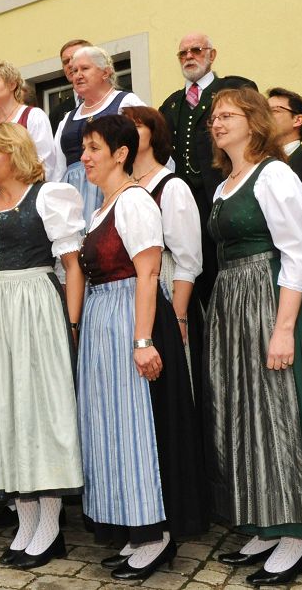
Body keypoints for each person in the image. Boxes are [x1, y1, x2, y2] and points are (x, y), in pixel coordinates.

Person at [205, 88, 302, 585]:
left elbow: (297, 253)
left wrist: (284, 329)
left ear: (255, 121)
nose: (217, 122)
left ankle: (295, 537)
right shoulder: (226, 183)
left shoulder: (275, 175)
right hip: (232, 303)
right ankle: (264, 524)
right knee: (246, 413)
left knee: (278, 412)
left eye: (228, 114)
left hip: (268, 300)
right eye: (214, 116)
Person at [75, 115, 205, 581]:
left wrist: (143, 340)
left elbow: (148, 274)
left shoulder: (135, 202)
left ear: (120, 153)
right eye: (84, 148)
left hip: (133, 319)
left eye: (93, 148)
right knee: (113, 427)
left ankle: (156, 535)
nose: (85, 157)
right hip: (105, 322)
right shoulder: (102, 208)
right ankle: (134, 527)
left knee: (140, 427)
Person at [0, 122, 85, 570]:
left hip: (35, 307)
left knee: (38, 412)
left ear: (16, 154)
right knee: (3, 413)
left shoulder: (48, 197)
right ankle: (25, 523)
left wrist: (71, 325)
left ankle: (49, 527)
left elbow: (72, 266)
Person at [157, 33, 253, 307]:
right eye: (183, 53)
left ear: (212, 54)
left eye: (196, 50)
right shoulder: (171, 104)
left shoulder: (233, 88)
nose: (189, 56)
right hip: (188, 205)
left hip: (226, 194)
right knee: (199, 279)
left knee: (231, 272)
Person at [121, 106, 203, 401]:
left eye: (137, 125)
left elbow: (188, 260)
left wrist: (178, 318)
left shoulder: (172, 186)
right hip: (132, 292)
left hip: (166, 286)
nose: (129, 131)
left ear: (154, 133)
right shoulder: (121, 187)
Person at [53, 46, 146, 220]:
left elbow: (145, 148)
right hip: (73, 195)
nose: (78, 75)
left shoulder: (126, 102)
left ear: (105, 72)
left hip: (114, 190)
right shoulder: (68, 118)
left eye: (85, 68)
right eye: (74, 70)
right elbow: (58, 167)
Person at [266, 87, 302, 184]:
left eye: (274, 111)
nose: (265, 116)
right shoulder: (258, 162)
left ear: (297, 120)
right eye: (264, 111)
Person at [48, 38, 91, 132]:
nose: (70, 64)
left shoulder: (119, 99)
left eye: (76, 58)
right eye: (66, 62)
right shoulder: (57, 114)